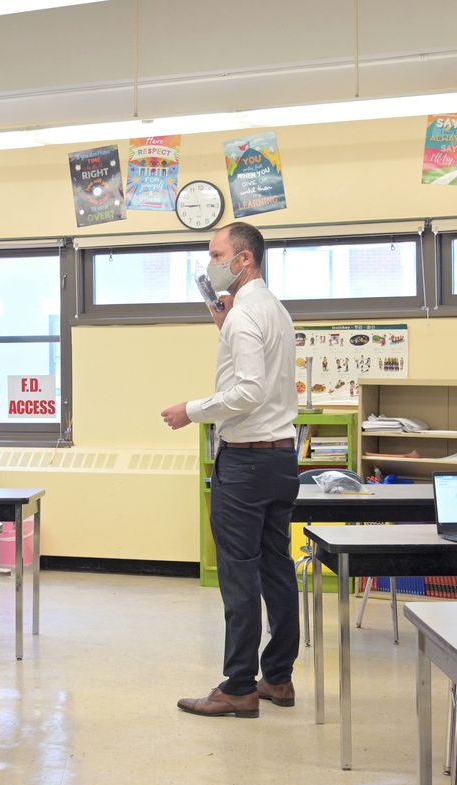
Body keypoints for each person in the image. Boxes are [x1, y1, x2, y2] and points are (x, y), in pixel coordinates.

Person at [161, 222, 299, 718]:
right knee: (277, 569)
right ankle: (278, 678)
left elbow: (247, 392)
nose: (210, 264)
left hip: (245, 462)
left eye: (217, 254)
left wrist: (190, 410)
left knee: (239, 576)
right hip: (283, 457)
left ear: (244, 260)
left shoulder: (244, 318)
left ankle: (238, 686)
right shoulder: (275, 311)